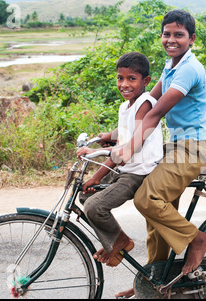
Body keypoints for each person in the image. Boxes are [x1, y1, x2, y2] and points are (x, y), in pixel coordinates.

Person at [111, 10, 206, 298]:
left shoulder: (189, 69)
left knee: (147, 198)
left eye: (178, 34)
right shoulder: (171, 67)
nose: (171, 39)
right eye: (167, 34)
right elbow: (145, 102)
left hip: (193, 149)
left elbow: (155, 113)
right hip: (176, 147)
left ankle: (197, 240)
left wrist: (127, 149)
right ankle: (152, 280)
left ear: (191, 39)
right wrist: (113, 137)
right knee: (156, 218)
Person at [76, 52, 163, 267]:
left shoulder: (145, 103)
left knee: (95, 207)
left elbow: (131, 146)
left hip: (139, 173)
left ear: (146, 81)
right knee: (85, 196)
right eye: (120, 78)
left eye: (131, 79)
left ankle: (121, 242)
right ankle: (115, 242)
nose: (124, 84)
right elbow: (126, 130)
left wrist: (97, 175)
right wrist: (108, 136)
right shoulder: (126, 106)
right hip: (126, 168)